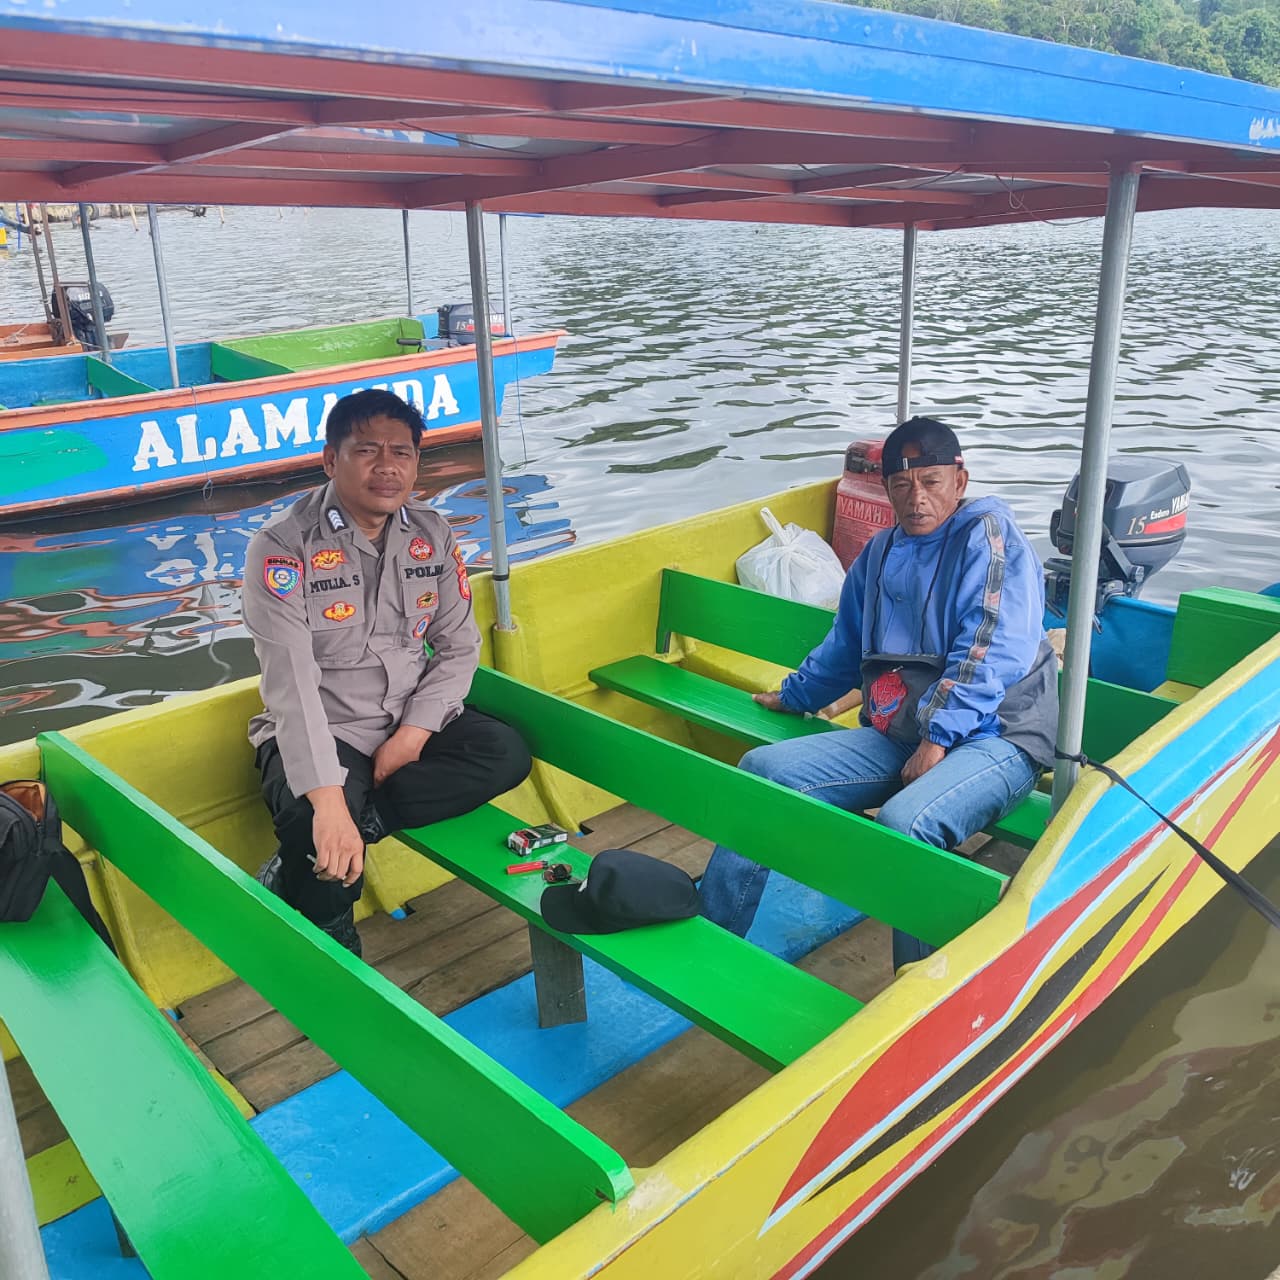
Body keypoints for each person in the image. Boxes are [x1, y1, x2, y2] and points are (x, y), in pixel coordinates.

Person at [700, 416, 1057, 970]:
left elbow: (989, 646)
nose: (917, 498)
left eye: (932, 482)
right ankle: (712, 942)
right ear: (887, 489)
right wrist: (796, 695)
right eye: (902, 485)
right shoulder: (882, 551)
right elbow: (846, 644)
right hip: (908, 731)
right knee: (761, 772)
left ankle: (919, 991)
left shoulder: (987, 537)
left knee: (904, 825)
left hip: (999, 736)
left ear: (959, 481)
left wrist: (938, 739)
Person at [242, 389, 531, 955]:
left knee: (505, 754)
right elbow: (290, 683)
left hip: (406, 716)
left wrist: (414, 732)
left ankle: (346, 834)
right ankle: (330, 931)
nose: (387, 467)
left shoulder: (432, 535)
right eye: (367, 450)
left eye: (402, 452)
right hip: (325, 727)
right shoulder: (281, 548)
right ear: (331, 460)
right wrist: (329, 804)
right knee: (311, 818)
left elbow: (458, 647)